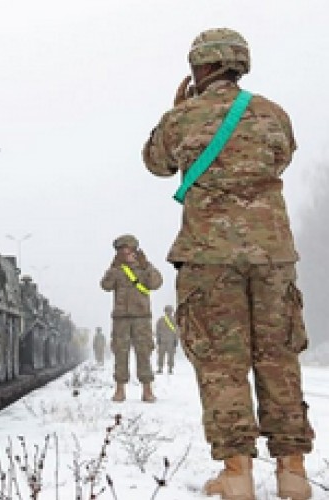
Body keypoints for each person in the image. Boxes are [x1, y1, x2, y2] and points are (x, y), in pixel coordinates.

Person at [143, 28, 314, 500]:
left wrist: (178, 109)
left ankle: (237, 474)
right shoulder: (272, 113)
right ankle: (292, 473)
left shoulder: (184, 118)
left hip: (208, 257)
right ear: (240, 64)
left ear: (199, 67)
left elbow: (155, 163)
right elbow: (282, 157)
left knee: (222, 363)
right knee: (279, 357)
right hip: (273, 254)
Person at [100, 234, 162, 403]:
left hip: (142, 318)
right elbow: (105, 286)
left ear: (134, 249)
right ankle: (120, 390)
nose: (123, 252)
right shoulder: (117, 270)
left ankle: (147, 390)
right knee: (120, 353)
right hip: (121, 319)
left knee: (144, 352)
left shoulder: (144, 268)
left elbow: (156, 283)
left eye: (125, 249)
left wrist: (147, 265)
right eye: (120, 250)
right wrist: (112, 267)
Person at [154, 305, 179, 374]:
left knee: (169, 356)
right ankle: (161, 368)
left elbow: (177, 331)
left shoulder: (173, 320)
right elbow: (157, 330)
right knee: (161, 355)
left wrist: (176, 340)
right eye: (168, 311)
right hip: (164, 341)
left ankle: (168, 369)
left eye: (169, 311)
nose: (168, 312)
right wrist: (158, 339)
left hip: (168, 341)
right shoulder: (161, 320)